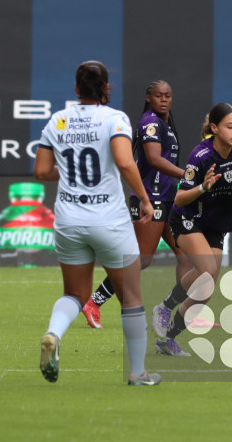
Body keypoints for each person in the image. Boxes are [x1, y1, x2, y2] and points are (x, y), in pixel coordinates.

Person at [34, 60, 160, 386]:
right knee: (131, 296)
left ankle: (53, 333)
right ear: (107, 88)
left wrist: (73, 175)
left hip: (69, 219)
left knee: (75, 293)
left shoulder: (57, 120)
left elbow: (42, 172)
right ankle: (138, 373)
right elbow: (123, 161)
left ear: (76, 89)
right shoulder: (114, 118)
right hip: (110, 221)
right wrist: (145, 198)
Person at [154, 102, 232, 355]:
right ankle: (165, 306)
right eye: (230, 126)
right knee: (207, 270)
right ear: (214, 128)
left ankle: (167, 340)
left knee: (206, 289)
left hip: (216, 223)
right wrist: (203, 187)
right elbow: (180, 199)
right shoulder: (200, 157)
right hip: (188, 218)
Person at [81, 80, 190, 330]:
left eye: (168, 95)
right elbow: (152, 159)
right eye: (158, 96)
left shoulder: (164, 123)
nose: (164, 99)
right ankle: (94, 302)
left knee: (185, 255)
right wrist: (187, 175)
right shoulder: (150, 122)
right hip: (150, 198)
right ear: (148, 97)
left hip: (167, 198)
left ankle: (182, 311)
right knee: (141, 259)